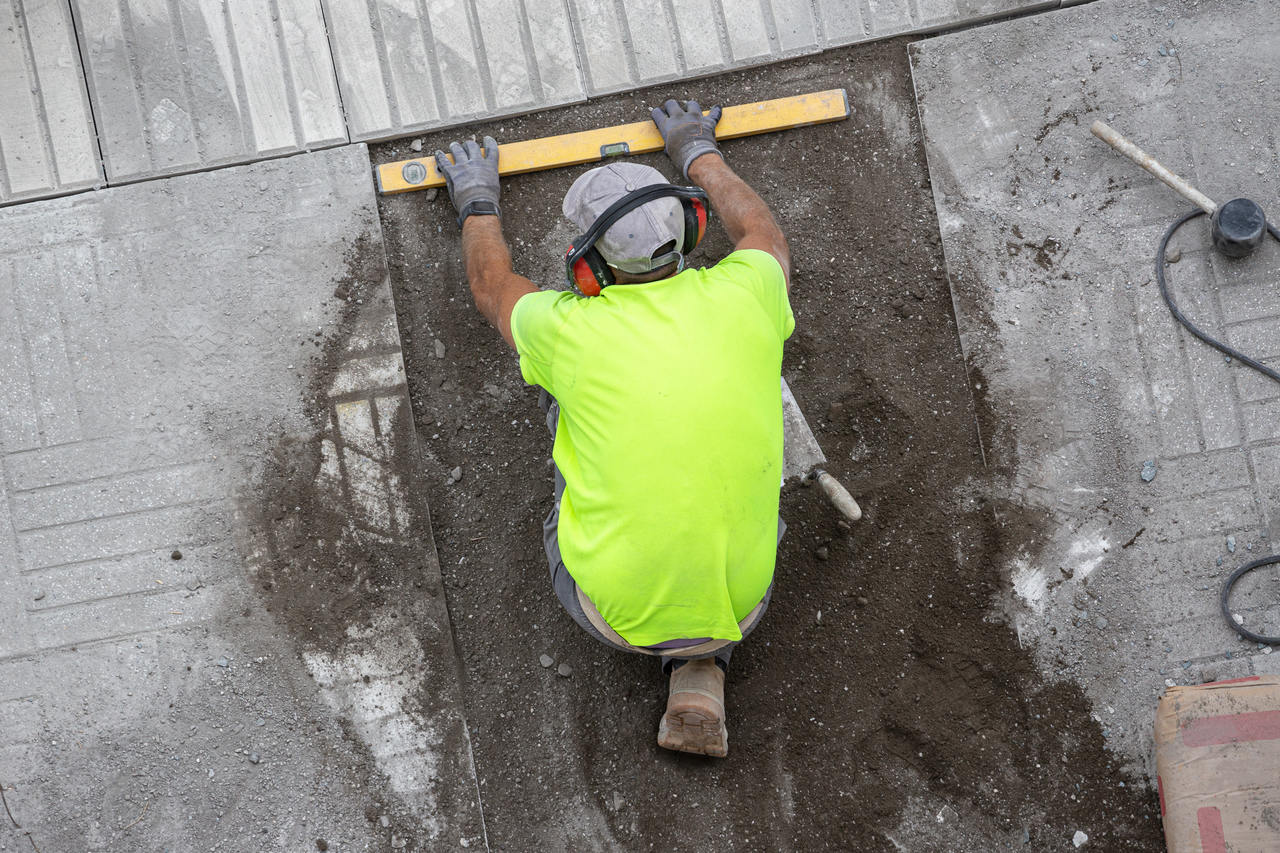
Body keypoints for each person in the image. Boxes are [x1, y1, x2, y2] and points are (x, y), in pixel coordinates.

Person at [434, 99, 793, 757]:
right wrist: (695, 148)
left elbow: (492, 287)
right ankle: (700, 667)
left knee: (559, 397)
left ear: (590, 271)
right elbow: (762, 230)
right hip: (746, 602)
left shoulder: (565, 329)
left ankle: (678, 651)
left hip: (609, 612)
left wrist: (477, 200)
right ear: (688, 225)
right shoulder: (753, 287)